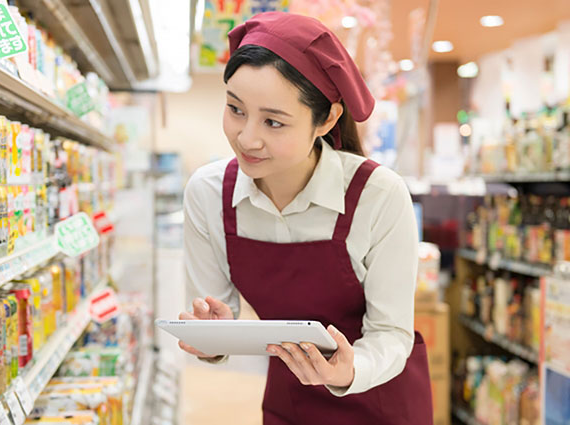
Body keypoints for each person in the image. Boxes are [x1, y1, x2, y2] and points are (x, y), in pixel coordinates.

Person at [179, 11, 432, 425]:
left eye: (273, 121)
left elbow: (392, 334)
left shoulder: (377, 195)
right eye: (235, 109)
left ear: (328, 118)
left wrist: (347, 369)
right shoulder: (208, 194)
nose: (247, 138)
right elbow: (215, 317)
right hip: (292, 396)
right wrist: (210, 337)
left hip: (382, 397)